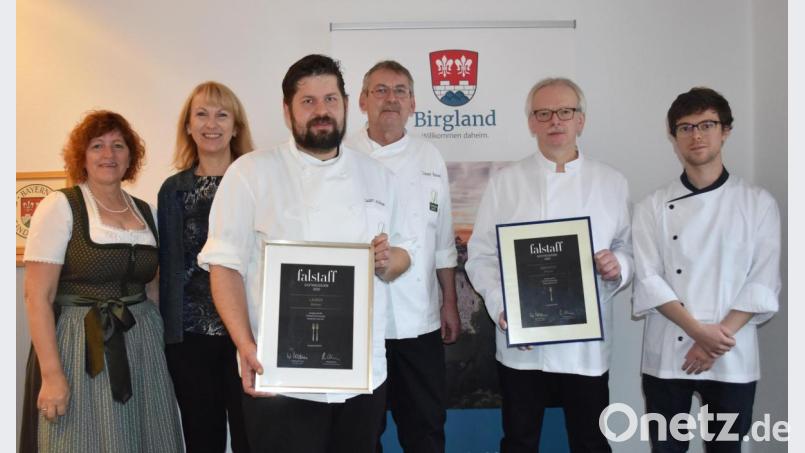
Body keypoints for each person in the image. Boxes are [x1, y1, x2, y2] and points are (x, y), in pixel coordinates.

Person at [196, 54, 413, 453]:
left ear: (346, 103)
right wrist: (245, 346)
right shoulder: (251, 172)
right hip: (281, 375)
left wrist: (387, 260)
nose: (321, 111)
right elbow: (224, 267)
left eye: (330, 99)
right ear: (287, 110)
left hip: (361, 375)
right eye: (308, 101)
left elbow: (403, 255)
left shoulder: (379, 177)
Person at [465, 77, 633, 453]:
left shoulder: (611, 182)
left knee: (591, 441)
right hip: (523, 342)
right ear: (531, 123)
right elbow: (481, 254)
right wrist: (500, 304)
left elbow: (627, 249)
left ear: (580, 120)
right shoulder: (506, 183)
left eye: (564, 112)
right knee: (520, 440)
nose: (554, 121)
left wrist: (617, 264)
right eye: (543, 113)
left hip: (585, 345)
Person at [20, 110, 183, 453]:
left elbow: (151, 286)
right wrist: (51, 375)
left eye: (118, 146)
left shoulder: (145, 211)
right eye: (97, 146)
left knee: (148, 434)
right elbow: (37, 294)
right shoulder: (61, 207)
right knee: (85, 437)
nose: (108, 155)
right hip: (81, 342)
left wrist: (158, 344)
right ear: (82, 156)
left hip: (141, 342)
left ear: (130, 158)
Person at [632, 87, 780, 452]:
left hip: (732, 354)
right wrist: (699, 333)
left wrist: (713, 343)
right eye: (685, 127)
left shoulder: (757, 203)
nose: (696, 135)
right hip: (669, 353)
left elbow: (762, 281)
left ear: (725, 130)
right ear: (673, 136)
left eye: (707, 124)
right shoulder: (651, 206)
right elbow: (649, 279)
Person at [344, 60, 458, 453]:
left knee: (425, 427)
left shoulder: (430, 157)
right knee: (360, 433)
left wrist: (450, 302)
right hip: (358, 324)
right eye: (380, 90)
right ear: (362, 100)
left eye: (400, 91)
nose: (390, 99)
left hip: (418, 321)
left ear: (413, 103)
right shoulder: (341, 156)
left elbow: (441, 240)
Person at [158, 81, 254, 453]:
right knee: (202, 437)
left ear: (236, 127)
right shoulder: (173, 189)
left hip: (247, 333)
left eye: (222, 114)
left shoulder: (255, 180)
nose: (211, 124)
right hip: (190, 338)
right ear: (188, 125)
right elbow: (167, 265)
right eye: (201, 113)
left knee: (251, 436)